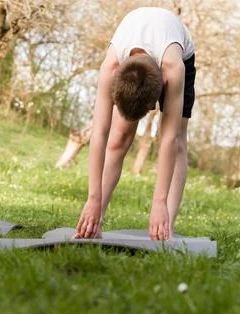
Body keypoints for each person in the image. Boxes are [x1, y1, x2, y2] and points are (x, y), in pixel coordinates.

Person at [75, 7, 196, 240]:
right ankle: (94, 223)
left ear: (164, 82)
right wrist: (93, 199)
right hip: (138, 43)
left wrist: (159, 202)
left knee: (178, 141)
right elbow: (99, 133)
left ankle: (165, 227)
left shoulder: (174, 69)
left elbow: (169, 139)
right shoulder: (110, 67)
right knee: (118, 138)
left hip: (175, 49)